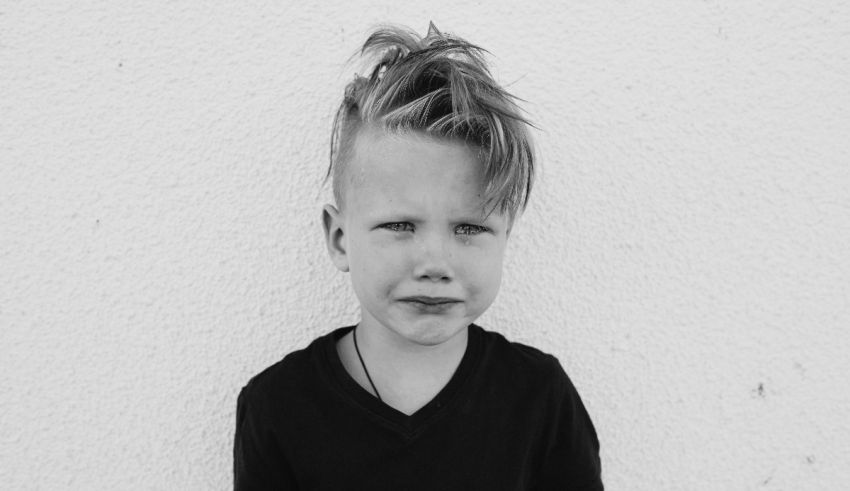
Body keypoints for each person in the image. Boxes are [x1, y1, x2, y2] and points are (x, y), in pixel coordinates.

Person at [234, 22, 603, 490]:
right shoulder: (277, 406)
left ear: (505, 237)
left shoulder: (540, 398)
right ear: (340, 238)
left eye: (469, 228)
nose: (434, 264)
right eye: (399, 226)